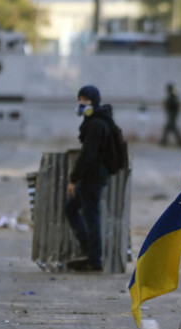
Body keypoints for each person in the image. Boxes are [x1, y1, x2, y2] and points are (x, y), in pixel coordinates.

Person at [64, 85, 113, 272]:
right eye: (80, 99)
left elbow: (88, 155)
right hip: (94, 177)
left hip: (93, 178)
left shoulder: (96, 124)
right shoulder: (95, 121)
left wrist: (73, 179)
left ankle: (94, 259)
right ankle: (89, 252)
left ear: (94, 102)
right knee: (71, 208)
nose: (81, 104)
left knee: (91, 217)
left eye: (85, 100)